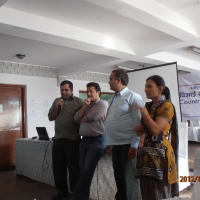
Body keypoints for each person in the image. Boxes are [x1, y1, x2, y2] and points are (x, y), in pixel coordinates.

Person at [134, 75, 179, 200]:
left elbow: (155, 130)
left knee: (159, 193)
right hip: (145, 155)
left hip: (160, 156)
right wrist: (139, 129)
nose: (145, 89)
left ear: (160, 89)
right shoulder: (148, 106)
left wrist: (143, 111)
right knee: (146, 192)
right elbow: (146, 129)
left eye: (149, 86)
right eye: (145, 86)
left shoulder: (167, 106)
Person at [105, 69, 144, 200]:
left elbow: (138, 122)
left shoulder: (133, 96)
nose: (109, 82)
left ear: (118, 80)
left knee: (129, 180)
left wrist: (134, 145)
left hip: (128, 144)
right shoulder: (114, 98)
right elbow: (112, 120)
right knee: (119, 179)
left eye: (110, 79)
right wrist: (109, 142)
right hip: (116, 145)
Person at [71, 82, 108, 200]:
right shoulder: (86, 105)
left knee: (86, 170)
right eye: (87, 91)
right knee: (82, 169)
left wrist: (83, 119)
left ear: (98, 92)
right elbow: (76, 118)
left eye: (91, 91)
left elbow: (93, 117)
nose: (88, 94)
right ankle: (83, 197)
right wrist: (85, 107)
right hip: (84, 141)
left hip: (97, 140)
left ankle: (77, 197)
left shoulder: (102, 103)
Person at [48, 80, 84, 200]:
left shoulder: (79, 102)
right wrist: (58, 108)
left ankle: (75, 193)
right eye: (62, 90)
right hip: (58, 139)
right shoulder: (56, 101)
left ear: (72, 90)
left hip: (72, 140)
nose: (63, 92)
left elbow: (83, 118)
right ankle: (62, 192)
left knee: (74, 168)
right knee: (58, 168)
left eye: (66, 90)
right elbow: (50, 118)